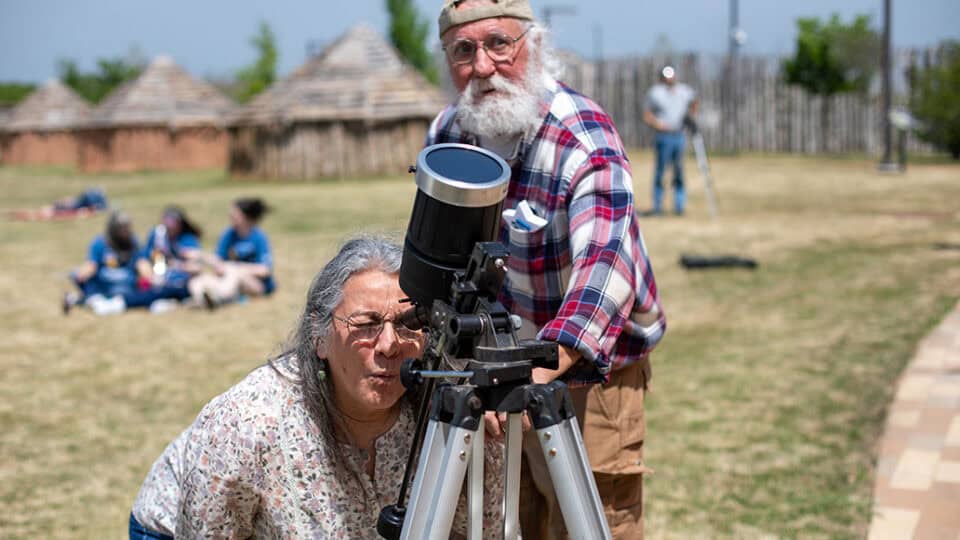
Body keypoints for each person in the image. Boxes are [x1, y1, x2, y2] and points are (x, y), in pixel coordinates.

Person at [427, 1, 666, 538]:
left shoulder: (581, 133)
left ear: (533, 44)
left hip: (587, 372)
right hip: (493, 368)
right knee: (508, 520)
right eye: (463, 51)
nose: (482, 66)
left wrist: (535, 371)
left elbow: (607, 269)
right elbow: (437, 260)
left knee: (591, 521)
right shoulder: (447, 134)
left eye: (498, 44)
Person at [129, 235, 506, 538]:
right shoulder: (246, 424)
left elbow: (481, 529)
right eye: (366, 324)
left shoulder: (451, 407)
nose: (390, 345)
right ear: (318, 337)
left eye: (408, 323)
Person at [187, 197, 275, 308]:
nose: (230, 216)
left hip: (256, 284)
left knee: (234, 272)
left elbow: (264, 270)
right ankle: (207, 299)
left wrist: (235, 267)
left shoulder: (258, 237)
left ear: (245, 217)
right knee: (196, 282)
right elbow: (218, 260)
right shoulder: (228, 234)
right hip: (229, 279)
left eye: (234, 214)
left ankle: (217, 298)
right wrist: (200, 255)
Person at [63, 210, 154, 315]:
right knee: (76, 274)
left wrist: (150, 277)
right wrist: (81, 275)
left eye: (126, 227)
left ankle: (81, 299)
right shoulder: (100, 242)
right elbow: (92, 265)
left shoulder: (133, 242)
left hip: (126, 284)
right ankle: (86, 299)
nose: (125, 231)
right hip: (104, 281)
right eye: (121, 228)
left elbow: (142, 263)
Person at [642, 65, 699, 216]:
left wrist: (690, 117)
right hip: (663, 136)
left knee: (679, 171)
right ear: (661, 77)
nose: (669, 79)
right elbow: (647, 114)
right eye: (666, 77)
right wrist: (658, 124)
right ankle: (657, 206)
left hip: (679, 135)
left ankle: (679, 206)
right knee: (660, 172)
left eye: (671, 76)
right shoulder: (655, 93)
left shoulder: (684, 91)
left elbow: (694, 102)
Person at [139, 205, 204, 310]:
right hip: (158, 282)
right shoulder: (157, 236)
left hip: (181, 284)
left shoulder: (187, 239)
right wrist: (150, 276)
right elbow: (143, 260)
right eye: (166, 222)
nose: (169, 227)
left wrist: (178, 265)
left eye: (173, 223)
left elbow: (197, 268)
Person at [7, 186, 108, 221]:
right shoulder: (86, 206)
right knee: (38, 214)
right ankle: (13, 213)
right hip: (62, 208)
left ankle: (13, 213)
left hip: (63, 207)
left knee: (38, 213)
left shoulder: (85, 203)